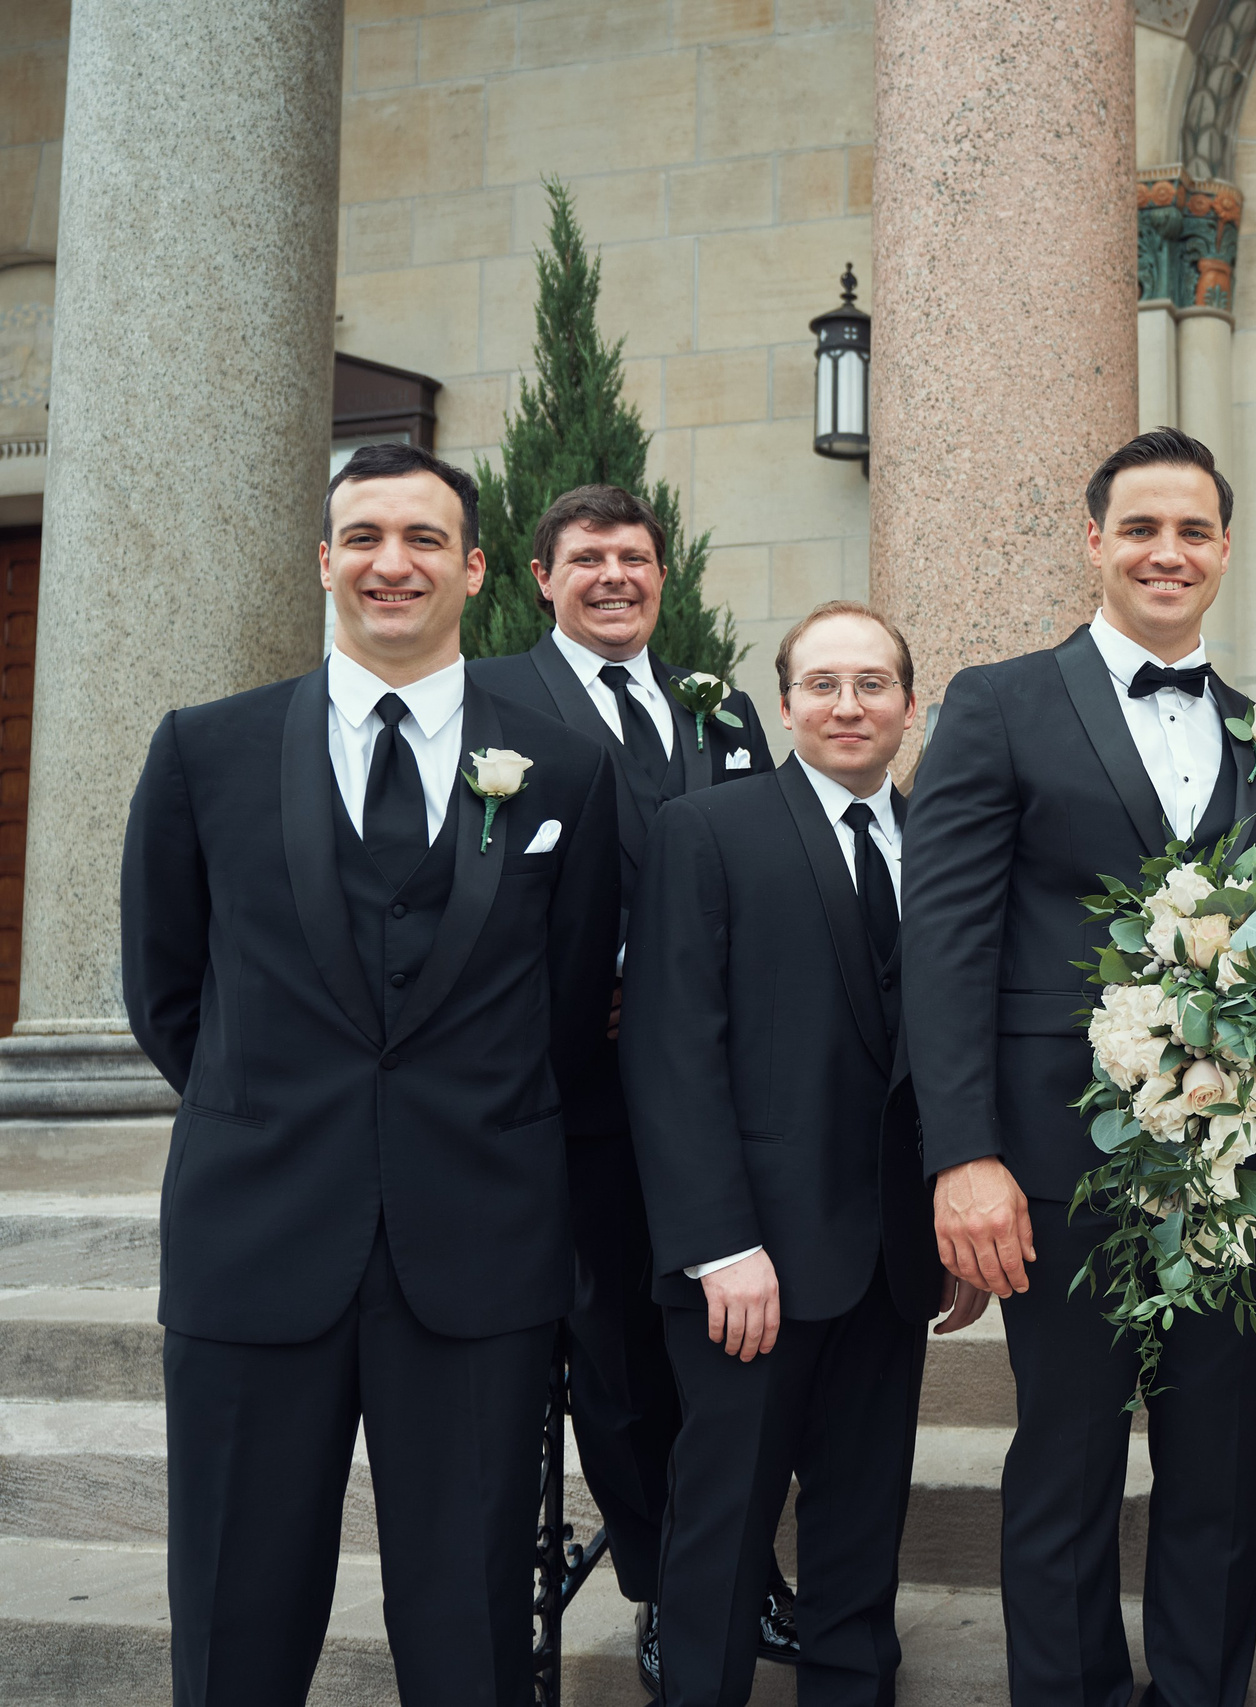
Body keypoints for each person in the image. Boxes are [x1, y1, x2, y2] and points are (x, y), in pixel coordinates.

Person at [122, 441, 622, 1706]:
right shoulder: (204, 753)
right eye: (363, 538)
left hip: (479, 1255)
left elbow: (567, 1010)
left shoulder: (563, 770)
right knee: (236, 1616)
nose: (389, 564)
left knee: (469, 1629)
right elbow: (167, 992)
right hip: (256, 1238)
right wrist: (280, 1108)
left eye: (420, 540)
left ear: (474, 568)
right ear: (325, 562)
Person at [900, 427, 1256, 1707]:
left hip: (1232, 1158)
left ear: (1227, 550)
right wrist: (963, 1155)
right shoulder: (998, 700)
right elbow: (946, 942)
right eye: (1140, 528)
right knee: (1067, 1452)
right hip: (1049, 1154)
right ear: (1093, 542)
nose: (1166, 553)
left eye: (1192, 531)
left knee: (1218, 1455)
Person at [623, 600, 985, 1707]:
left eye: (873, 684)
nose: (848, 705)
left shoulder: (942, 844)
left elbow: (952, 1050)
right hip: (752, 1264)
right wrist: (719, 1244)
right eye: (822, 684)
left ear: (909, 705)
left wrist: (952, 1221)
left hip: (888, 1260)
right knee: (724, 1523)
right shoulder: (708, 831)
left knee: (862, 1518)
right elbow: (670, 1052)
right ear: (783, 703)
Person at [468, 483, 780, 1690]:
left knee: (735, 1348)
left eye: (635, 558)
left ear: (665, 575)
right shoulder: (492, 706)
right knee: (616, 1359)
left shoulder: (725, 711)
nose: (614, 577)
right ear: (539, 578)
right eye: (587, 558)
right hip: (577, 1096)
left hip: (722, 1090)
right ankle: (665, 1584)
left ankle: (744, 1572)